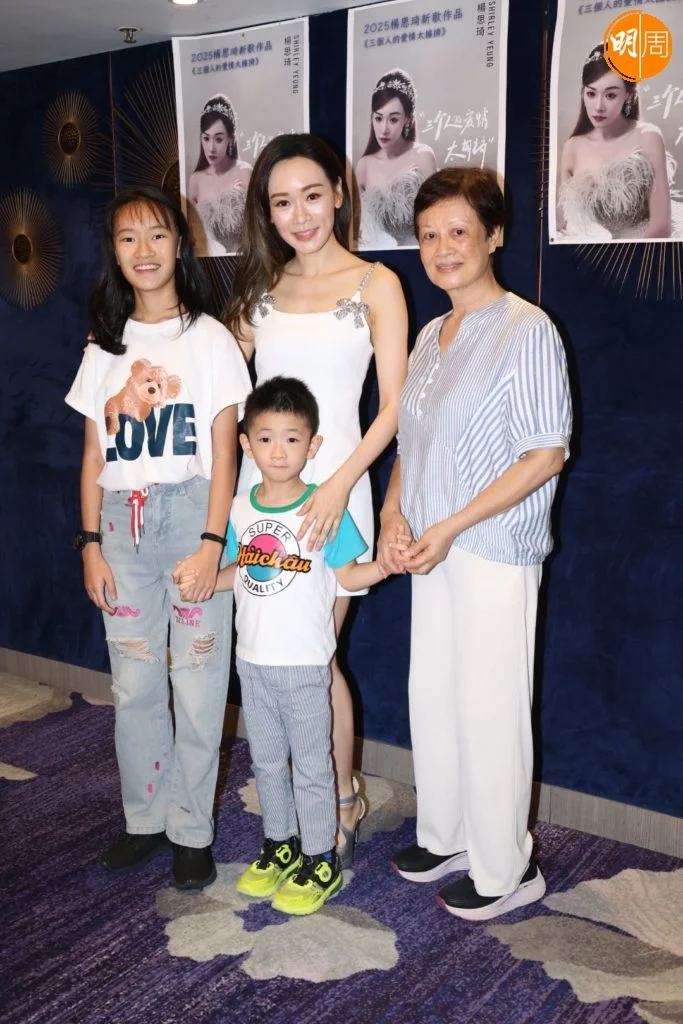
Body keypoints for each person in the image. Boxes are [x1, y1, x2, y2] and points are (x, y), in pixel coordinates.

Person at [378, 167, 572, 921]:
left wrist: (451, 525)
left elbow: (544, 453)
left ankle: (506, 868)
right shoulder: (432, 334)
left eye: (458, 231)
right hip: (429, 547)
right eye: (428, 235)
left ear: (493, 235)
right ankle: (448, 835)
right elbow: (411, 441)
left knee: (491, 707)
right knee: (433, 698)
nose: (442, 247)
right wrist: (394, 514)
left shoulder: (527, 329)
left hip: (491, 546)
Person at [223, 133, 409, 868]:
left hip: (335, 495)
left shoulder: (375, 284)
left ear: (337, 193)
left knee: (314, 658)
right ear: (265, 213)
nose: (299, 215)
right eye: (281, 202)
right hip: (263, 499)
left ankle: (338, 798)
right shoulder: (260, 290)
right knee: (277, 656)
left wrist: (337, 484)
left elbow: (393, 407)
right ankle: (302, 801)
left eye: (310, 196)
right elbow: (216, 376)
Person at [65, 185, 251, 891]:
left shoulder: (210, 339)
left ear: (180, 244)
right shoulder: (104, 345)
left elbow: (226, 455)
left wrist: (212, 543)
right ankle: (144, 818)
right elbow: (93, 453)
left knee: (199, 684)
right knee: (135, 681)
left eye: (157, 235)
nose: (143, 250)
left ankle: (192, 829)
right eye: (127, 238)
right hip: (121, 528)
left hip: (191, 518)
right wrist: (90, 543)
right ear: (114, 253)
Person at [176, 377, 390, 914]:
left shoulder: (323, 509)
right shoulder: (240, 510)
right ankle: (280, 844)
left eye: (292, 439)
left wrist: (386, 565)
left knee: (313, 766)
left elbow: (349, 575)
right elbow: (245, 570)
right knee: (267, 762)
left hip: (304, 665)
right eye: (266, 438)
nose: (278, 451)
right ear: (246, 444)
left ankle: (321, 857)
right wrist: (206, 581)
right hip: (252, 663)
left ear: (312, 446)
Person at [557, 44, 682, 240]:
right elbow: (565, 221)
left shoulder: (648, 137)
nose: (598, 106)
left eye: (610, 95)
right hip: (592, 249)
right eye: (591, 93)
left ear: (629, 95)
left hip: (646, 247)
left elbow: (661, 227)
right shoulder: (572, 147)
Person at [355, 69, 437, 248]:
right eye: (378, 118)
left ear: (407, 119)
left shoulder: (423, 156)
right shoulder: (364, 165)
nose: (384, 129)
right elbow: (358, 228)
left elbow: (436, 217)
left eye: (393, 120)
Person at [188, 94, 252, 255]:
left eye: (218, 139)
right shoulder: (196, 180)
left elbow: (259, 227)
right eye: (206, 138)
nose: (211, 148)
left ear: (231, 139)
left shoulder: (244, 172)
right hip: (207, 263)